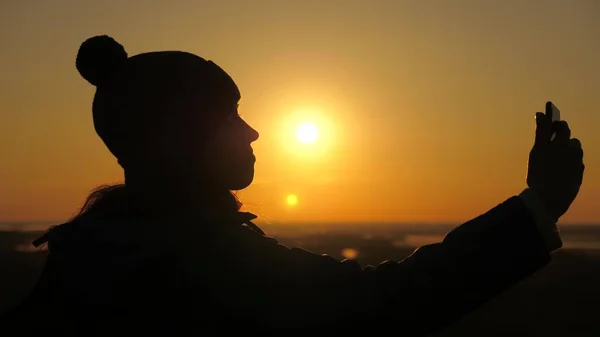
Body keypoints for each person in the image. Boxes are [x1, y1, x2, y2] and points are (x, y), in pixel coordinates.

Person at [2, 35, 585, 336]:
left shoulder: (88, 250)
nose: (252, 131)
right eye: (229, 116)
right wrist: (537, 207)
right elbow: (385, 305)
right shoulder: (204, 259)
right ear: (181, 138)